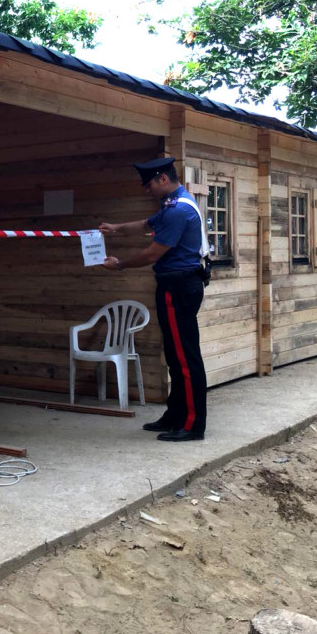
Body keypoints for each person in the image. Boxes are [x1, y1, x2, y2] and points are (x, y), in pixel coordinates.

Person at [98, 157, 208, 441]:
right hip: (178, 285)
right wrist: (116, 228)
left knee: (185, 358)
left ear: (162, 179)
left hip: (178, 287)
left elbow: (152, 254)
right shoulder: (174, 204)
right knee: (174, 355)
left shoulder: (177, 211)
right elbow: (146, 224)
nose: (146, 191)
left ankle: (193, 424)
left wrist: (120, 264)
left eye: (148, 185)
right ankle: (175, 415)